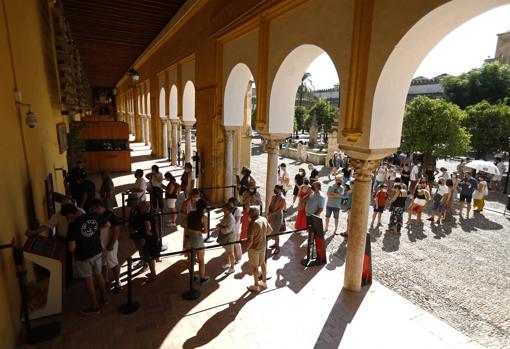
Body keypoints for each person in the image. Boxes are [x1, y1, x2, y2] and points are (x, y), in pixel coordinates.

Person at [61, 204, 107, 315]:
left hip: (83, 256)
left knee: (88, 280)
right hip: (97, 251)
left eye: (66, 216)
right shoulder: (94, 216)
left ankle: (95, 306)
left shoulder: (72, 226)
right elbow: (107, 224)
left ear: (70, 214)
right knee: (99, 274)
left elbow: (71, 248)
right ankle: (104, 298)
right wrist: (93, 234)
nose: (67, 219)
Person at [90, 199, 122, 294]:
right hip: (99, 245)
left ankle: (117, 281)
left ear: (98, 207)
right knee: (103, 264)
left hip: (109, 244)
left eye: (93, 209)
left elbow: (116, 231)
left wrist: (111, 244)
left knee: (113, 263)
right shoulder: (95, 215)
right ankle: (104, 281)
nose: (92, 211)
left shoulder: (110, 215)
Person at [128, 202, 159, 281]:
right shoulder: (150, 215)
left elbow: (148, 229)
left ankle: (153, 275)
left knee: (149, 257)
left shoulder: (146, 217)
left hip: (150, 239)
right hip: (152, 238)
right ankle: (153, 273)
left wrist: (138, 231)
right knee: (151, 257)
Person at [246, 206, 272, 292]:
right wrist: (262, 236)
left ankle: (256, 285)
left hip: (254, 249)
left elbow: (250, 241)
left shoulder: (252, 224)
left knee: (255, 267)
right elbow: (270, 230)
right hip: (263, 246)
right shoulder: (264, 219)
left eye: (249, 212)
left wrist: (247, 248)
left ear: (251, 213)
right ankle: (264, 282)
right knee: (263, 263)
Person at [185, 199, 209, 285]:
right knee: (201, 259)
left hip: (189, 237)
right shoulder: (204, 217)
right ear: (204, 208)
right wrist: (200, 230)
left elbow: (187, 225)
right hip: (197, 238)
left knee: (190, 259)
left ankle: (192, 276)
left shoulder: (190, 213)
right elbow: (206, 231)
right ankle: (202, 278)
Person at [305, 182, 326, 262]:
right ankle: (309, 242)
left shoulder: (321, 196)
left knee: (313, 232)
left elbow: (320, 208)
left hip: (313, 217)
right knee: (309, 230)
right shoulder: (313, 193)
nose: (312, 187)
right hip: (308, 215)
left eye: (314, 186)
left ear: (318, 187)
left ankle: (312, 246)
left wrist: (314, 216)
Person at [217, 203, 236, 275]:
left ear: (229, 210)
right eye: (223, 209)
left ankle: (232, 267)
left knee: (231, 252)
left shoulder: (230, 218)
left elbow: (228, 229)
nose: (223, 210)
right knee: (227, 251)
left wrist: (220, 226)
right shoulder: (227, 215)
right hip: (226, 235)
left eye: (225, 209)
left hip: (229, 236)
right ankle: (228, 263)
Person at [266, 185, 286, 254]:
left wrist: (272, 214)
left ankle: (277, 246)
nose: (274, 189)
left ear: (280, 189)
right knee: (272, 229)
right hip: (272, 214)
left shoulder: (282, 198)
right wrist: (269, 212)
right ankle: (275, 244)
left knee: (276, 231)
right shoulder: (274, 196)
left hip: (278, 216)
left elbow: (280, 209)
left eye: (276, 189)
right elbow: (270, 205)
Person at [228, 197, 243, 263]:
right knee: (231, 245)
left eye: (230, 203)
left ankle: (239, 257)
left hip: (236, 230)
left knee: (237, 244)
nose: (228, 204)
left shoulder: (238, 210)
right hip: (230, 230)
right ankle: (232, 259)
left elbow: (236, 221)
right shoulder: (230, 209)